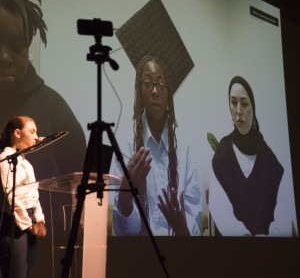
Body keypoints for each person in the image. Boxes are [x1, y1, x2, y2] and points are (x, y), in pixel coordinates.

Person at [0, 0, 86, 276]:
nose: (5, 57)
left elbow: (81, 187)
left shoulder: (55, 111)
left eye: (17, 45)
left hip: (37, 250)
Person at [112, 55, 201, 236]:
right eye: (147, 83)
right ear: (139, 90)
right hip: (140, 256)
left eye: (161, 85)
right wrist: (126, 198)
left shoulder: (186, 149)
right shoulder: (126, 147)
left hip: (181, 254)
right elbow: (125, 233)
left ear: (168, 93)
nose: (155, 91)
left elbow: (195, 223)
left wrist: (181, 227)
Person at [209, 76, 291, 237]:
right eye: (233, 102)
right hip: (230, 253)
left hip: (267, 254)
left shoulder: (270, 161)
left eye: (244, 103)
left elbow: (283, 212)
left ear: (253, 108)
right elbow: (219, 208)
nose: (238, 110)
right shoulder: (221, 155)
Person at [0, 116, 47, 278]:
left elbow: (34, 193)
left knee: (26, 272)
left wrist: (39, 219)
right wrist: (27, 224)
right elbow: (12, 196)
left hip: (29, 220)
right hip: (15, 224)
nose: (36, 137)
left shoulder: (26, 163)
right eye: (32, 131)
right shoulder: (5, 160)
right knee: (16, 273)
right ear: (17, 133)